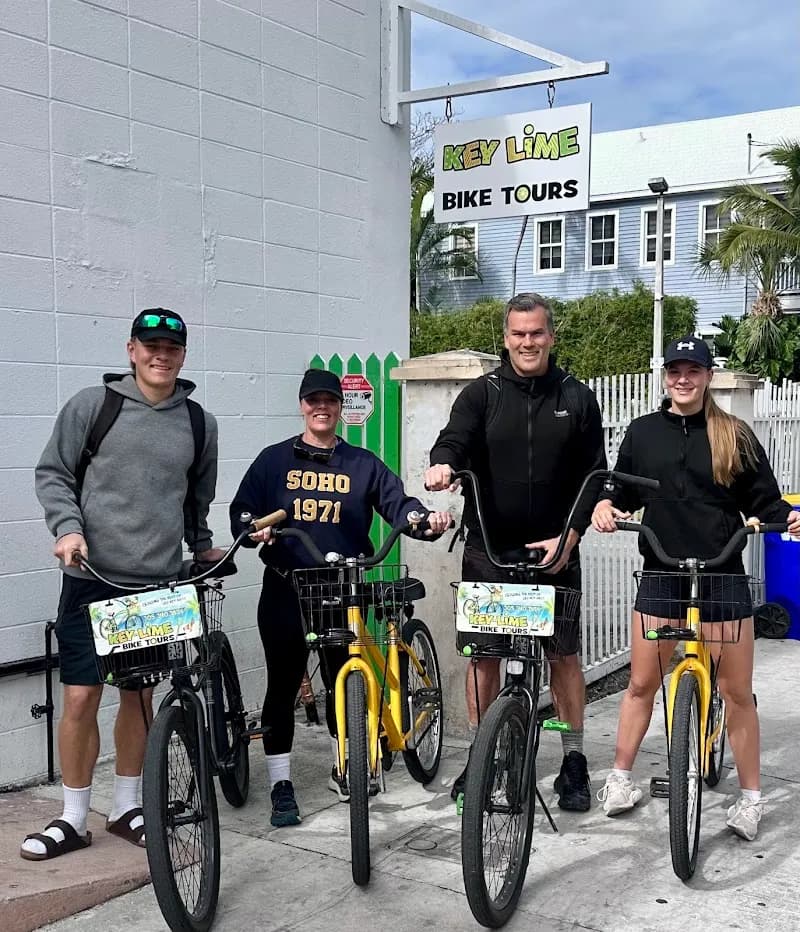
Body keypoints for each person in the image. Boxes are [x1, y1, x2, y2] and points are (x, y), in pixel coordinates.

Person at [21, 309, 225, 861]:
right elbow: (54, 473)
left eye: (172, 347)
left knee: (138, 697)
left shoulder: (199, 423)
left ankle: (129, 806)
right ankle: (73, 817)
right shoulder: (94, 406)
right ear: (131, 349)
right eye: (151, 345)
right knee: (82, 696)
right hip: (91, 578)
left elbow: (194, 500)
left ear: (183, 355)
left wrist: (202, 545)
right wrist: (67, 530)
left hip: (158, 586)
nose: (162, 355)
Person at [593, 335, 800, 840]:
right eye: (674, 370)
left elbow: (765, 502)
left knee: (736, 693)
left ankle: (750, 799)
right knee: (641, 684)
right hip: (662, 572)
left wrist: (789, 518)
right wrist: (605, 505)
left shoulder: (735, 434)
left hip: (722, 574)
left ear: (708, 376)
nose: (682, 378)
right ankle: (620, 779)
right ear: (664, 375)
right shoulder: (641, 434)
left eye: (693, 370)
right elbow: (619, 489)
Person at [229, 369, 451, 828]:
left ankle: (344, 765)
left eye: (329, 400)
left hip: (342, 589)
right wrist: (254, 530)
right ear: (302, 405)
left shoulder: (362, 464)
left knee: (340, 680)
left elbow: (399, 504)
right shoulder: (273, 461)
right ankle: (280, 783)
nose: (321, 408)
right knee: (283, 684)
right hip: (286, 585)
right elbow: (242, 512)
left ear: (340, 407)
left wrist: (422, 519)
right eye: (313, 400)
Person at [424, 293, 606, 811]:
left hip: (556, 550)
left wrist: (568, 540)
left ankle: (573, 760)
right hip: (489, 549)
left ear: (552, 336)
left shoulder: (577, 396)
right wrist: (442, 464)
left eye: (537, 333)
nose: (528, 342)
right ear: (505, 338)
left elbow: (595, 476)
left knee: (563, 654)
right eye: (518, 334)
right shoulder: (482, 394)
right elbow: (452, 440)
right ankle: (485, 756)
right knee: (484, 656)